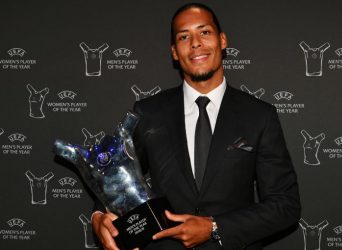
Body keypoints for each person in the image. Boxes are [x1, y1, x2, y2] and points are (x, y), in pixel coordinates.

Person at [92, 3, 301, 250]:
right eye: (184, 36)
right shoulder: (148, 113)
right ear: (174, 51)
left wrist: (215, 227)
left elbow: (285, 205)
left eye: (204, 32)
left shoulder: (259, 116)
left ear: (222, 41)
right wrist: (98, 217)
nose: (195, 43)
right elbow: (115, 177)